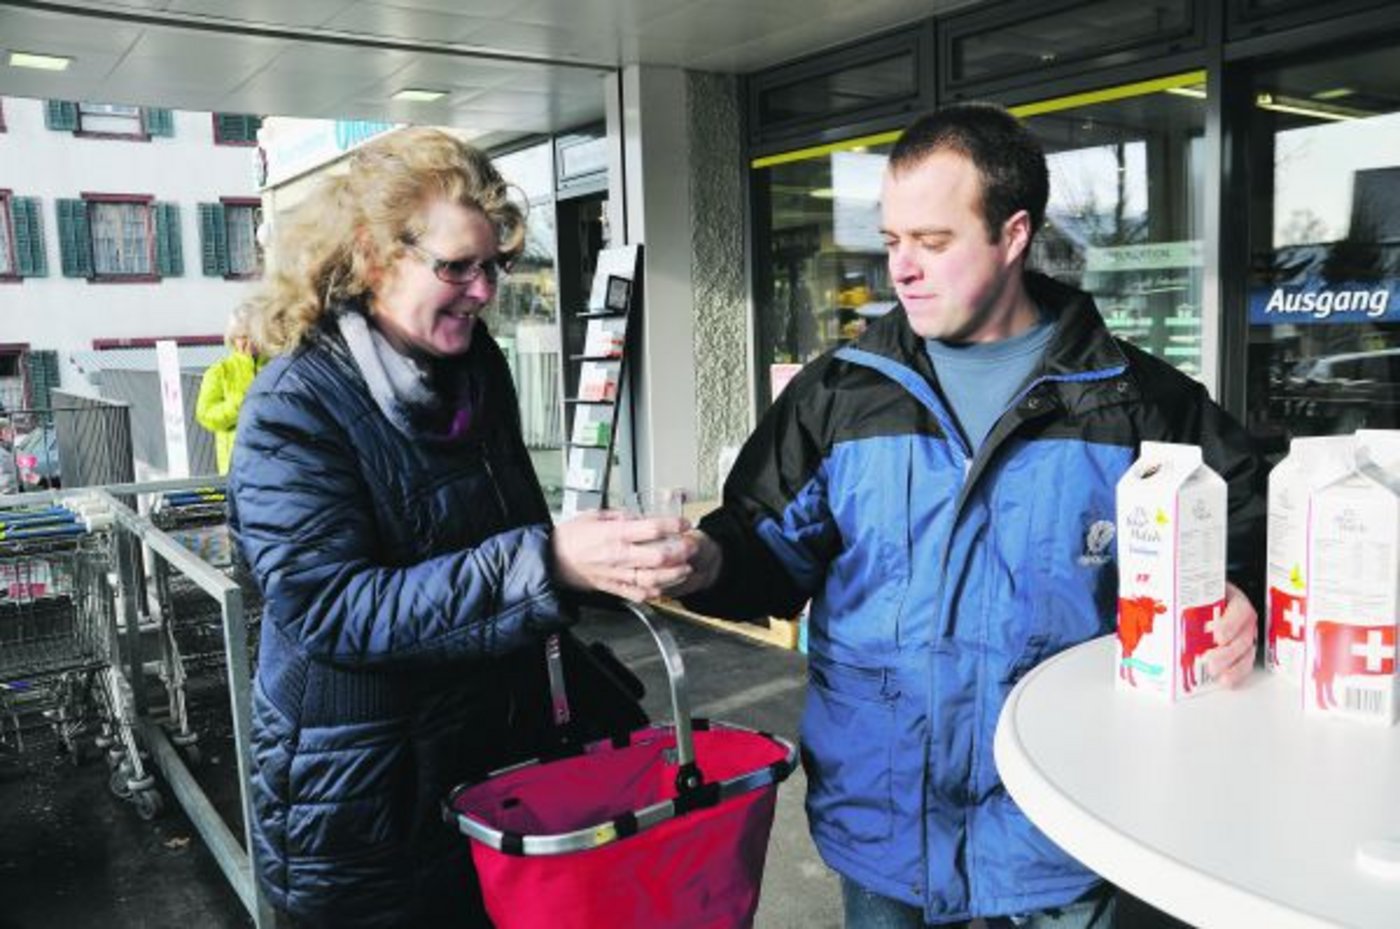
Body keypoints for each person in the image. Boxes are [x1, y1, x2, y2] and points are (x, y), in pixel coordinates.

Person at [673, 104, 1265, 928]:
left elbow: (1255, 523)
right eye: (891, 242)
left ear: (1013, 234)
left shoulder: (1138, 402)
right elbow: (764, 547)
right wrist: (705, 562)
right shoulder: (839, 394)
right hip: (885, 828)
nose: (901, 270)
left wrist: (1244, 596)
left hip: (1063, 828)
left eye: (933, 241)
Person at [226, 127, 693, 929]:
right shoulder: (293, 404)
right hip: (367, 804)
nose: (482, 292)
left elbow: (500, 553)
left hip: (485, 767)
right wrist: (547, 565)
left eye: (493, 267)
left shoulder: (476, 368)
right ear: (373, 255)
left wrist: (603, 564)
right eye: (456, 267)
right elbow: (328, 607)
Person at [196, 305, 266, 475]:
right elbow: (205, 415)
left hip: (275, 463)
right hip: (237, 467)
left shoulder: (277, 367)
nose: (248, 342)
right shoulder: (219, 372)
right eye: (242, 337)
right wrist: (240, 405)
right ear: (232, 339)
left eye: (253, 336)